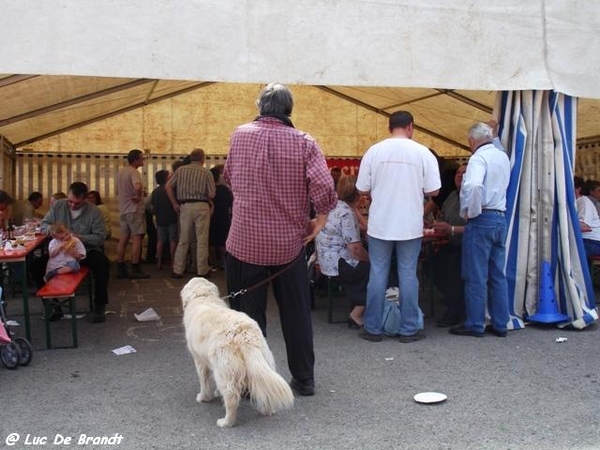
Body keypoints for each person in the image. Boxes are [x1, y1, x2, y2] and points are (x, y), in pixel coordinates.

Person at [223, 83, 336, 397]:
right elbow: (325, 190)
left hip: (243, 244)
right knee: (296, 314)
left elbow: (229, 178)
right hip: (289, 247)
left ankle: (247, 384)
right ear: (289, 110)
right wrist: (319, 222)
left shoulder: (239, 135)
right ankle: (303, 379)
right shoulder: (304, 142)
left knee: (246, 320)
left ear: (261, 108)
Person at [356, 110, 441, 343]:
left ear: (389, 127)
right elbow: (434, 191)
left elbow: (362, 188)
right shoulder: (423, 152)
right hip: (409, 225)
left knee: (378, 274)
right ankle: (409, 329)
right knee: (408, 275)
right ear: (411, 127)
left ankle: (372, 327)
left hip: (380, 224)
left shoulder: (374, 151)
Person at [450, 121, 511, 338]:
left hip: (482, 217)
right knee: (497, 275)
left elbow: (474, 186)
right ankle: (501, 323)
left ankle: (475, 323)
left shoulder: (478, 158)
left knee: (475, 275)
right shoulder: (502, 156)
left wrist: (471, 212)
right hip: (500, 217)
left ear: (472, 141)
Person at [40, 181, 110, 323]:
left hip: (84, 251)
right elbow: (44, 224)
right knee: (36, 266)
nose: (72, 205)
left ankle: (99, 305)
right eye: (70, 201)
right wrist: (54, 233)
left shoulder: (95, 212)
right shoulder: (59, 205)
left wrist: (79, 237)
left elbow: (100, 237)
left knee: (103, 263)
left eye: (77, 203)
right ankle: (53, 306)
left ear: (85, 199)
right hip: (60, 254)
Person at [315, 176, 369, 328]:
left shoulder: (333, 207)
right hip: (339, 264)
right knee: (380, 270)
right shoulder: (346, 213)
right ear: (358, 194)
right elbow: (355, 250)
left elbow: (362, 229)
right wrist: (371, 259)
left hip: (326, 262)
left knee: (369, 267)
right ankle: (357, 312)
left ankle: (358, 305)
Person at [166, 148, 215, 278]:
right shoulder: (206, 172)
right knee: (202, 239)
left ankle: (178, 270)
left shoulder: (180, 170)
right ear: (202, 158)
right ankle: (202, 270)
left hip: (185, 206)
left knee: (184, 239)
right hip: (201, 205)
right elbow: (212, 193)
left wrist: (174, 203)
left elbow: (168, 186)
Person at [431, 164, 467, 327]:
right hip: (450, 242)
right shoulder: (452, 195)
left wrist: (451, 229)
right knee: (430, 265)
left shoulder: (473, 196)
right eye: (458, 172)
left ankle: (455, 309)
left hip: (467, 244)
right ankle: (453, 298)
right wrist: (435, 224)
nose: (459, 175)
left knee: (452, 264)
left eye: (464, 172)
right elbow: (443, 217)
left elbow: (475, 227)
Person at [116, 149, 149, 279]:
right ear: (135, 159)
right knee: (137, 237)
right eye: (141, 158)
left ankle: (120, 265)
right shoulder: (134, 171)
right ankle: (135, 266)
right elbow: (137, 186)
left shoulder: (121, 172)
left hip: (123, 208)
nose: (143, 160)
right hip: (134, 209)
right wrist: (138, 195)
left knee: (123, 237)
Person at [150, 169, 178, 270]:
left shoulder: (155, 191)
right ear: (166, 178)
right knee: (172, 240)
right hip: (171, 217)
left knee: (160, 240)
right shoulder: (171, 189)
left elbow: (152, 207)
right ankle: (173, 261)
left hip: (160, 219)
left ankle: (159, 262)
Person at [208, 165, 233, 270]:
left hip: (211, 217)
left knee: (212, 241)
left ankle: (213, 262)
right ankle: (223, 261)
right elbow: (231, 204)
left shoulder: (209, 191)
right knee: (223, 240)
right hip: (224, 217)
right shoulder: (225, 190)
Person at [575, 176, 600, 258]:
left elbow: (584, 225)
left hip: (592, 241)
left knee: (572, 251)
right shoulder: (576, 203)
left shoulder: (583, 202)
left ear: (578, 189)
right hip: (588, 240)